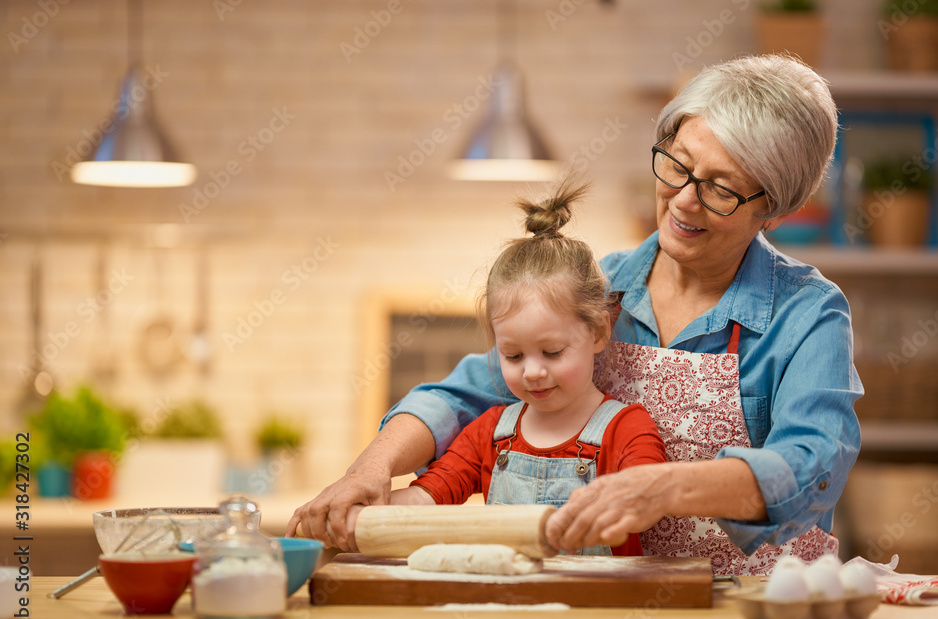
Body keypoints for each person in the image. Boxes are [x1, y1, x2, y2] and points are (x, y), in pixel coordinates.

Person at [287, 54, 863, 575]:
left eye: (721, 189)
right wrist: (370, 471)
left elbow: (811, 465)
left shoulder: (807, 314)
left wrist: (666, 487)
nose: (684, 199)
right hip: (601, 605)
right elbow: (462, 397)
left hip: (748, 615)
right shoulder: (596, 286)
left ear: (774, 207)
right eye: (678, 166)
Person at [377, 182, 668, 557]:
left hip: (600, 611)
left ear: (598, 332)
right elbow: (426, 497)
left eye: (552, 352)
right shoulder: (489, 433)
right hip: (507, 607)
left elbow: (647, 499)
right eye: (513, 356)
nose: (532, 371)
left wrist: (617, 508)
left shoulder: (627, 429)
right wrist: (367, 511)